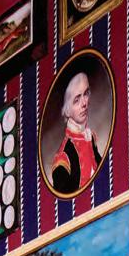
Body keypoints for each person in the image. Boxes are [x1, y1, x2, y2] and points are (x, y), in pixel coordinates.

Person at [48, 68, 101, 197]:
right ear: (67, 110)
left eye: (86, 94)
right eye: (76, 100)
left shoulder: (90, 137)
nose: (84, 103)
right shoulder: (63, 158)